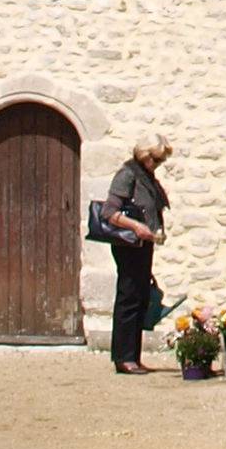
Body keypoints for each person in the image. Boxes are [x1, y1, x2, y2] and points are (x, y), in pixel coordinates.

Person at [96, 134, 171, 372]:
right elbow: (109, 212)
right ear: (145, 155)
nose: (158, 164)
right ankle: (123, 357)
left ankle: (132, 356)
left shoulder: (145, 176)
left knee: (139, 297)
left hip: (143, 244)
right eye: (157, 159)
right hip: (128, 245)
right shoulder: (128, 174)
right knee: (129, 297)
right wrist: (138, 227)